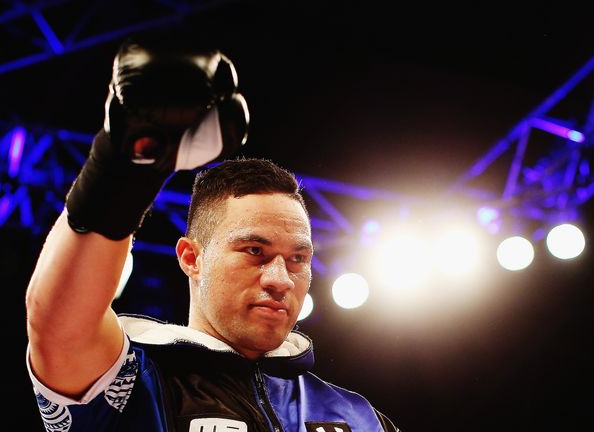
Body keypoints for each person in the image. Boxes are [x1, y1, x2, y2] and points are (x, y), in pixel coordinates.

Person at [25, 37, 400, 432]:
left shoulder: (359, 417)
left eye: (297, 259)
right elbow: (57, 326)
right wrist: (124, 168)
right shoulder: (136, 385)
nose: (279, 279)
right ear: (191, 258)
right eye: (255, 250)